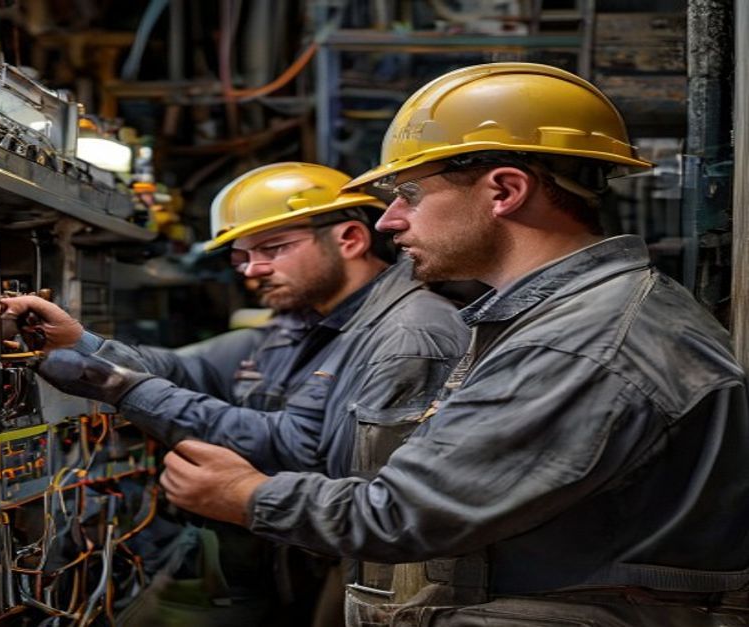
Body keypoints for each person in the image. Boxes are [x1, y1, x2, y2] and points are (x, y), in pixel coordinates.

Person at [155, 63, 749, 626]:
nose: (389, 221)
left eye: (408, 195)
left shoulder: (584, 341)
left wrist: (245, 494)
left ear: (504, 190)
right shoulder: (561, 316)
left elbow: (404, 515)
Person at [1, 162, 470, 626]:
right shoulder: (303, 321)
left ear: (350, 238)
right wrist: (80, 344)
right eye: (240, 257)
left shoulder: (411, 332)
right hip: (277, 559)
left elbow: (299, 450)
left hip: (339, 567)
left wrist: (118, 386)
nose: (253, 270)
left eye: (274, 248)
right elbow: (189, 368)